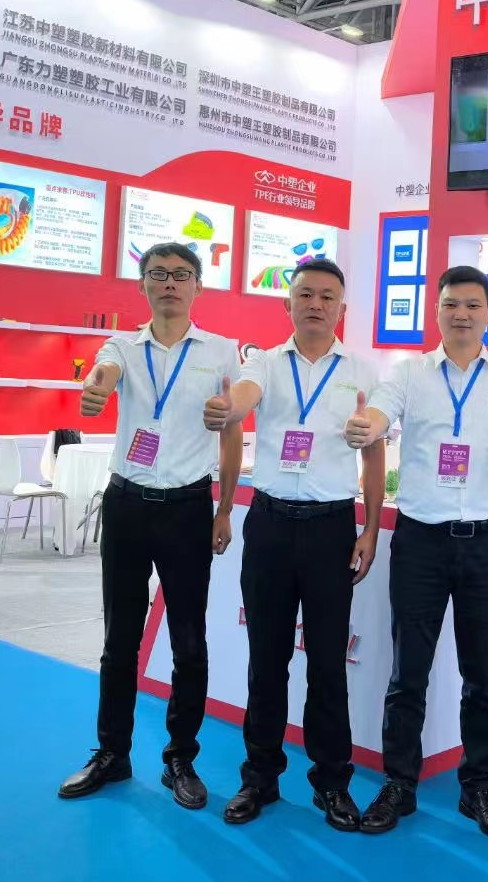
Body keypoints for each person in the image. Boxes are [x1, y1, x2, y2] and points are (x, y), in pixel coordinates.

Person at [343, 265, 488, 841]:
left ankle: (478, 786)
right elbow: (379, 413)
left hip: (487, 543)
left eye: (473, 305)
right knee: (408, 672)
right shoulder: (409, 374)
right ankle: (399, 782)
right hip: (421, 542)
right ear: (437, 311)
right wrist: (366, 425)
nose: (462, 314)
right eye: (452, 304)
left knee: (483, 676)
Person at [58, 242, 242, 810]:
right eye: (158, 274)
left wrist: (224, 508)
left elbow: (232, 433)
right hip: (128, 505)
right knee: (119, 638)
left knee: (189, 640)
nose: (169, 284)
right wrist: (96, 389)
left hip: (188, 508)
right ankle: (111, 753)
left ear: (198, 286)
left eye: (181, 275)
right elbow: (103, 373)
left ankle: (180, 758)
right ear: (142, 285)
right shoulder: (123, 346)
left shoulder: (221, 352)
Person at [202, 259, 384, 831]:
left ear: (341, 308)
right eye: (305, 294)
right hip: (271, 525)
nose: (315, 304)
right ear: (288, 304)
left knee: (328, 663)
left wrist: (370, 527)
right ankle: (260, 776)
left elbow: (374, 452)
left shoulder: (363, 371)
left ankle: (332, 782)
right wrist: (230, 408)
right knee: (267, 659)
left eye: (327, 296)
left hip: (332, 528)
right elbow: (245, 396)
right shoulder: (264, 363)